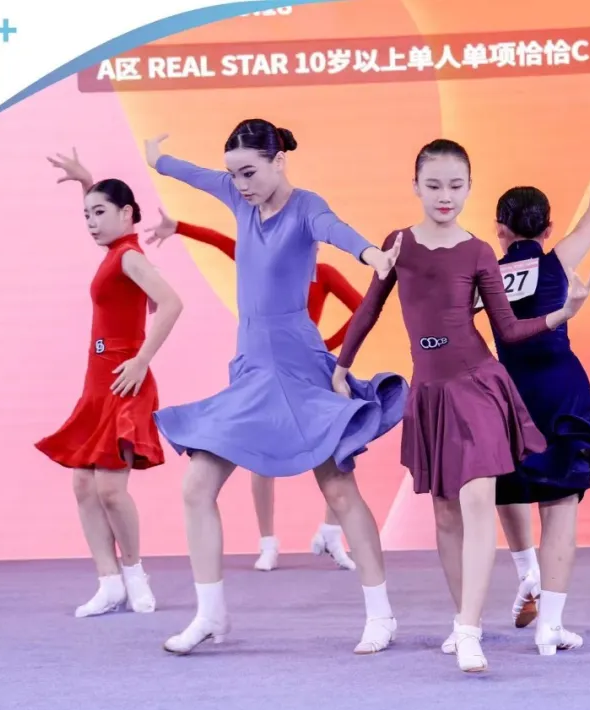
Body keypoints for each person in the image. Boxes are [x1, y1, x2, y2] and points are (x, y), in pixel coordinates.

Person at [145, 119, 407, 656]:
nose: (240, 184)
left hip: (297, 366)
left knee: (339, 490)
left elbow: (335, 229)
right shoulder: (237, 198)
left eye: (249, 172)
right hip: (250, 370)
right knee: (196, 487)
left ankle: (381, 615)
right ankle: (211, 615)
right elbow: (194, 175)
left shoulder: (306, 207)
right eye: (233, 175)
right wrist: (158, 160)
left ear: (278, 161)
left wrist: (372, 255)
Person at [333, 139, 590, 673]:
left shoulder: (477, 252)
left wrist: (561, 314)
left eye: (455, 185)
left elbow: (508, 330)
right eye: (433, 185)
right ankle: (462, 620)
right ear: (415, 186)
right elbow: (368, 310)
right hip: (429, 394)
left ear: (470, 188)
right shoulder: (398, 244)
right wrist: (341, 365)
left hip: (477, 385)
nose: (445, 195)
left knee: (477, 501)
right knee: (445, 513)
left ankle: (470, 632)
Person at [490, 115, 590, 656]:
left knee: (506, 485)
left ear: (499, 230)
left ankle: (526, 572)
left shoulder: (485, 274)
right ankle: (550, 626)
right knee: (560, 505)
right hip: (560, 393)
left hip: (509, 396)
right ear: (548, 229)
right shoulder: (559, 261)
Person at [145, 215, 359, 571]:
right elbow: (220, 241)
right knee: (261, 450)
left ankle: (331, 531)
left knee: (337, 447)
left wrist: (326, 345)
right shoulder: (260, 267)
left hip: (307, 372)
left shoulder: (325, 274)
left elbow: (362, 308)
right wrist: (180, 227)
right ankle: (268, 541)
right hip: (264, 373)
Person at [37, 149, 184, 618]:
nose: (90, 222)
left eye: (99, 213)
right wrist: (87, 181)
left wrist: (141, 360)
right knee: (83, 484)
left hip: (125, 381)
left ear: (127, 214)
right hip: (98, 381)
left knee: (110, 489)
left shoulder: (129, 257)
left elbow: (172, 303)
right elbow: (107, 212)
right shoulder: (115, 254)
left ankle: (135, 575)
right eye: (86, 215)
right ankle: (109, 583)